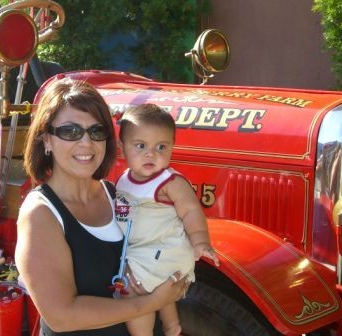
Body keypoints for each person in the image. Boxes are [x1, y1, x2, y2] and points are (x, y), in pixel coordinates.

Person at [15, 78, 188, 336]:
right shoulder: (40, 213)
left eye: (96, 131)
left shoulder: (117, 195)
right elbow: (61, 316)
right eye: (70, 131)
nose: (86, 143)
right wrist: (151, 303)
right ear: (47, 140)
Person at [115, 103, 220, 336]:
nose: (151, 154)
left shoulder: (170, 182)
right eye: (140, 146)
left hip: (164, 249)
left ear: (172, 147)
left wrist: (201, 242)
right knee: (154, 287)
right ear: (122, 148)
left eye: (161, 147)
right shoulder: (123, 180)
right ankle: (172, 326)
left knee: (132, 291)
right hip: (144, 250)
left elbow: (191, 211)